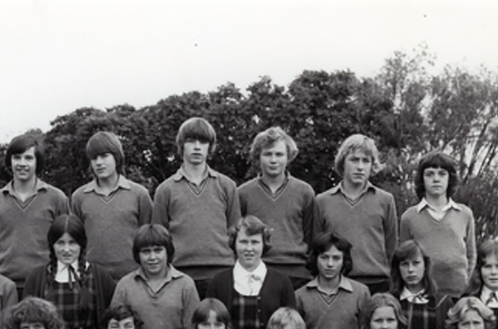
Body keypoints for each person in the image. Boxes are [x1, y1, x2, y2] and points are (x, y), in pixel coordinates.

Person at [151, 117, 241, 296]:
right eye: (191, 141)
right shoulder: (165, 190)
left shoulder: (227, 186)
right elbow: (158, 238)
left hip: (222, 272)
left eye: (203, 142)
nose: (197, 147)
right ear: (181, 146)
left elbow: (236, 233)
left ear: (211, 147)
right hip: (179, 274)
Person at [0, 134, 72, 294]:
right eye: (17, 158)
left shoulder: (56, 198)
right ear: (10, 161)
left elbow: (68, 242)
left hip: (47, 284)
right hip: (5, 285)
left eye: (28, 158)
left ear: (37, 161)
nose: (22, 163)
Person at [313, 134, 399, 294]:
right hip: (336, 284)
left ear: (372, 165)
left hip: (377, 284)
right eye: (354, 159)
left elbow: (391, 247)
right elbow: (316, 248)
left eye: (366, 161)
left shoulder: (385, 200)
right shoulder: (322, 201)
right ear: (342, 163)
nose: (360, 166)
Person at [205, 216, 296, 329]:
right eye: (243, 242)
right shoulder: (218, 282)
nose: (249, 248)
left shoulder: (281, 282)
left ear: (264, 244)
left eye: (255, 242)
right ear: (234, 244)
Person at [237, 127, 316, 287]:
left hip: (297, 274)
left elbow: (311, 235)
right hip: (256, 272)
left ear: (288, 157)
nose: (273, 160)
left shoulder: (304, 192)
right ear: (259, 157)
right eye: (268, 154)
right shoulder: (243, 193)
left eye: (279, 154)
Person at [110, 224, 200, 329]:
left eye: (158, 250)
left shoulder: (185, 285)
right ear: (137, 255)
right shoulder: (125, 286)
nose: (152, 257)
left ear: (168, 252)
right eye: (146, 252)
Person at [71, 131, 154, 280]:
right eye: (94, 158)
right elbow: (74, 242)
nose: (99, 162)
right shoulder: (79, 197)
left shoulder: (139, 194)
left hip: (134, 279)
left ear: (117, 157)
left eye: (104, 156)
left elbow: (149, 239)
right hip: (92, 281)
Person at [398, 151, 476, 298]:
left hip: (458, 294)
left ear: (449, 178)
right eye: (430, 174)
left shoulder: (465, 214)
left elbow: (471, 255)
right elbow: (404, 257)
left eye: (442, 174)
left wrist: (465, 281)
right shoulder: (409, 217)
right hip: (423, 295)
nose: (436, 179)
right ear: (422, 179)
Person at [295, 232, 372, 329]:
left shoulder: (361, 293)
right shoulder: (300, 296)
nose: (330, 264)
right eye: (324, 257)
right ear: (315, 259)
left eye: (336, 258)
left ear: (345, 261)